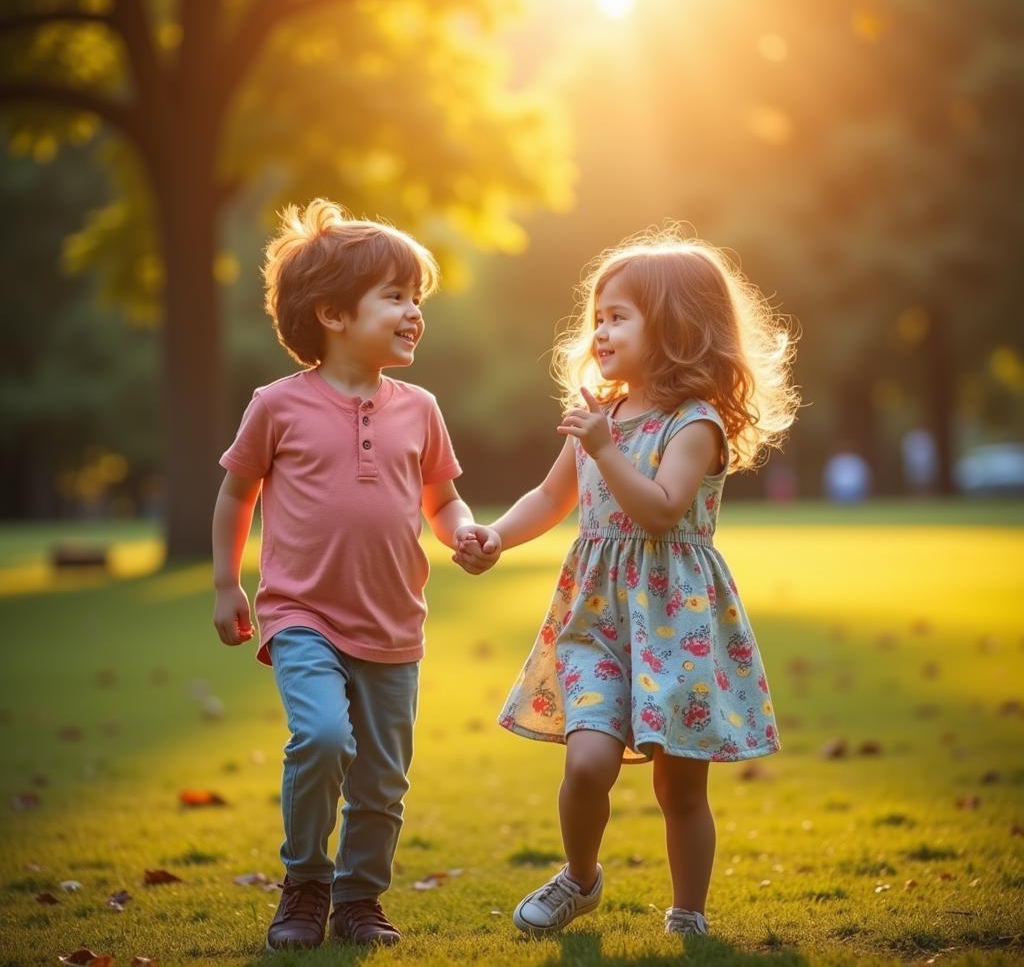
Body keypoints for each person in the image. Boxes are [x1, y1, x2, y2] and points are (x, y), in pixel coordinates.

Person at [460, 229, 798, 942]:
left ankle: (688, 914)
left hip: (678, 618)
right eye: (599, 316)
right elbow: (552, 498)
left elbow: (662, 508)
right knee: (587, 762)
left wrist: (605, 450)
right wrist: (495, 534)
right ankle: (579, 880)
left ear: (674, 326)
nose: (601, 330)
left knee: (680, 784)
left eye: (620, 316)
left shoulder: (696, 422)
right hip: (597, 618)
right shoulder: (599, 418)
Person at [212, 200, 500, 951]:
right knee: (321, 737)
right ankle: (305, 881)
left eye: (418, 299)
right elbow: (237, 492)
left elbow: (442, 497)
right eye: (397, 297)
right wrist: (224, 582)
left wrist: (463, 530)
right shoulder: (275, 406)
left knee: (381, 781)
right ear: (334, 313)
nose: (415, 314)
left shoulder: (421, 409)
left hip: (394, 621)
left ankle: (360, 898)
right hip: (302, 612)